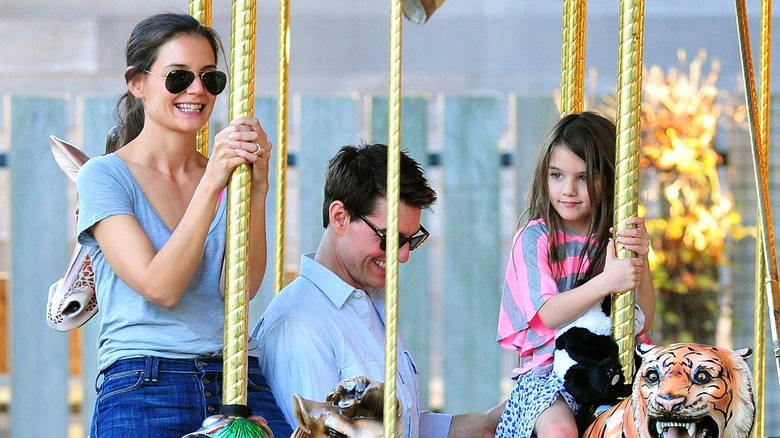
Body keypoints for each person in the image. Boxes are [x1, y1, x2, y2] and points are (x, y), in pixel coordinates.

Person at [76, 13, 292, 438]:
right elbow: (162, 286)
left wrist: (258, 190)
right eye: (178, 77)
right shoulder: (105, 176)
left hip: (237, 374)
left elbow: (240, 290)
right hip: (147, 378)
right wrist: (212, 182)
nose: (196, 90)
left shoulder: (227, 175)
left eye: (210, 79)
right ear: (137, 82)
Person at [253, 143, 504, 438]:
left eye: (412, 240)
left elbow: (403, 428)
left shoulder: (369, 302)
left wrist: (487, 423)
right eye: (389, 238)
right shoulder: (300, 326)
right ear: (340, 217)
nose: (403, 255)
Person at [494, 112, 656, 438]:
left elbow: (645, 319)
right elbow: (548, 313)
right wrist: (606, 282)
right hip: (549, 374)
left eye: (583, 178)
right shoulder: (534, 237)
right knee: (558, 431)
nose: (568, 190)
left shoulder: (614, 237)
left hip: (610, 366)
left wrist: (642, 259)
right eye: (557, 175)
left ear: (608, 180)